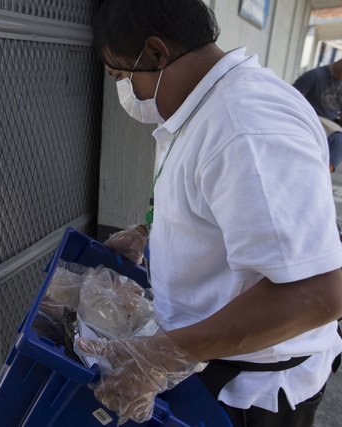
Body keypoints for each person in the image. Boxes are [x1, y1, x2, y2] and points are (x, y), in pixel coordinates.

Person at [76, 1, 342, 426]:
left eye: (123, 75)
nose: (126, 89)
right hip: (210, 359)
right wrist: (150, 232)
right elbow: (221, 205)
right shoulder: (203, 104)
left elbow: (318, 293)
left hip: (250, 394)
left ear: (157, 53)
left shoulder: (245, 127)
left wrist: (160, 355)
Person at [293, 58, 342, 172]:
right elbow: (292, 98)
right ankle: (320, 174)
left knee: (338, 139)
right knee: (339, 139)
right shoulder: (314, 75)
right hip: (312, 118)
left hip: (331, 123)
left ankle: (321, 173)